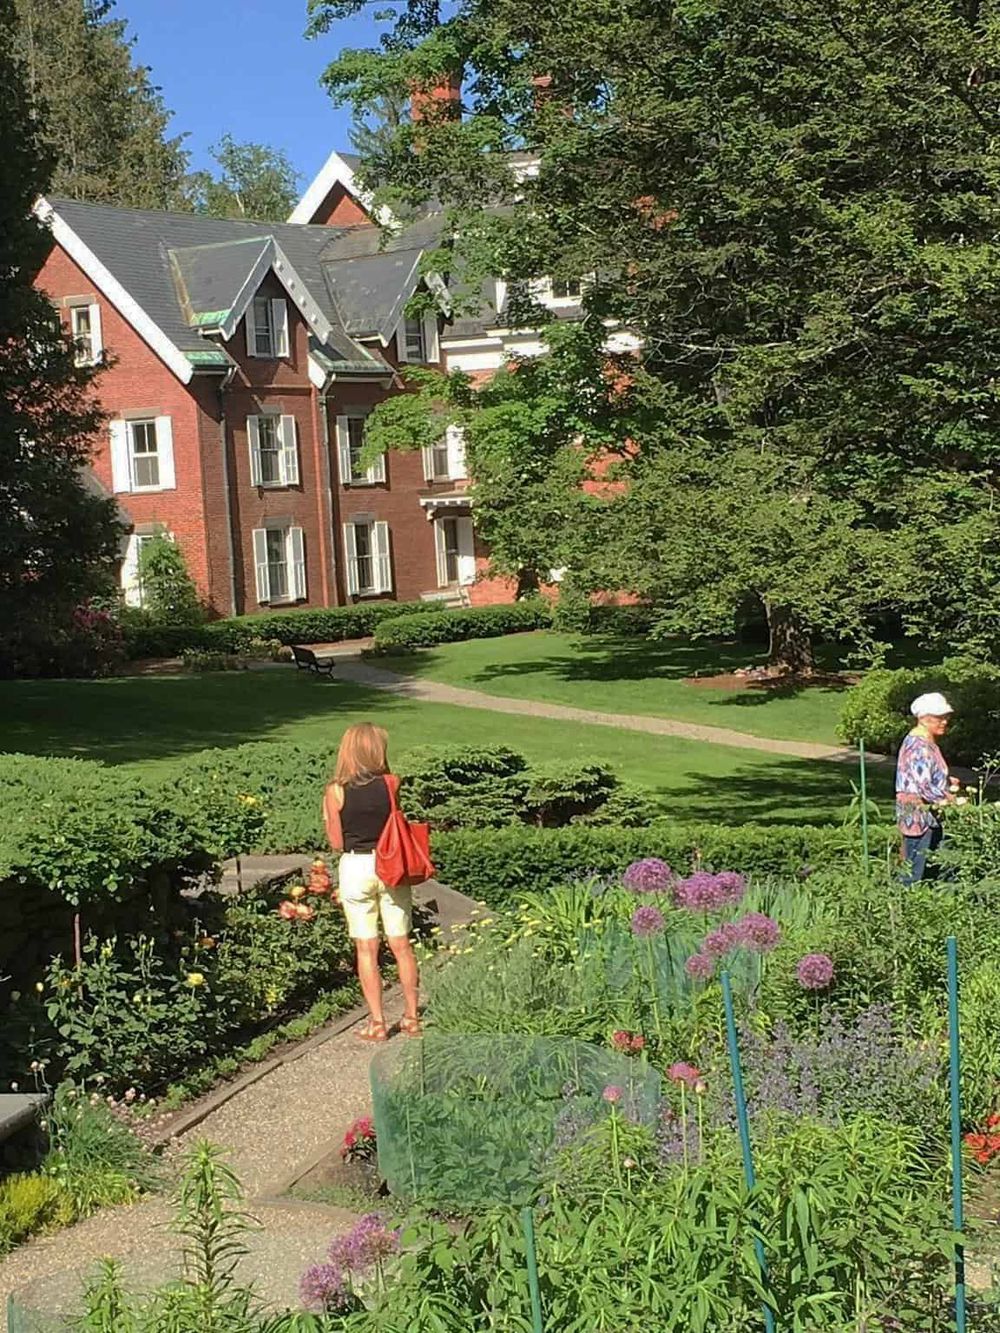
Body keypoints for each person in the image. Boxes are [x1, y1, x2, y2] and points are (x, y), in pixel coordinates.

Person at [323, 723, 420, 1042]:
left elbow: (336, 842)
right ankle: (411, 1016)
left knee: (366, 948)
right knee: (401, 945)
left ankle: (377, 1023)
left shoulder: (335, 791)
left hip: (356, 866)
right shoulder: (391, 783)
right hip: (390, 864)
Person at [895, 692, 960, 884]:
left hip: (926, 812)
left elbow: (925, 777)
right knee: (913, 870)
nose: (944, 722)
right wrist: (951, 799)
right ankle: (904, 908)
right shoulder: (919, 746)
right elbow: (923, 786)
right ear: (923, 718)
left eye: (945, 717)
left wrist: (946, 782)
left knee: (927, 865)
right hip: (917, 813)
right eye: (939, 717)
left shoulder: (925, 741)